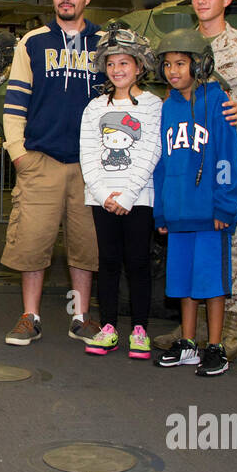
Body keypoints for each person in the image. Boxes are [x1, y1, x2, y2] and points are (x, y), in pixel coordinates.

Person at [152, 0, 237, 360]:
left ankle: (231, 325)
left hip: (227, 162)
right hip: (185, 165)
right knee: (188, 244)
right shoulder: (179, 47)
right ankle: (194, 328)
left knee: (232, 241)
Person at [1, 0, 106, 345]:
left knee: (85, 245)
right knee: (32, 242)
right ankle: (30, 316)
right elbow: (15, 103)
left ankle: (80, 318)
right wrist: (19, 154)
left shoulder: (104, 43)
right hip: (40, 160)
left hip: (90, 164)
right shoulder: (33, 42)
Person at [151, 29, 237, 377]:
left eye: (181, 63)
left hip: (209, 214)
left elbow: (227, 158)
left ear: (200, 65)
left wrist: (224, 206)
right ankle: (188, 343)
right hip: (177, 212)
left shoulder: (217, 101)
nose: (174, 71)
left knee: (211, 283)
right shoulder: (168, 107)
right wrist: (162, 209)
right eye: (168, 65)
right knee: (183, 282)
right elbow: (162, 164)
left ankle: (215, 346)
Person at [78, 25, 162, 358]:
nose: (117, 70)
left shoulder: (154, 105)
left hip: (138, 198)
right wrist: (102, 194)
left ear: (139, 66)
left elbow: (151, 150)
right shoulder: (94, 108)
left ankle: (139, 329)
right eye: (111, 64)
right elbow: (87, 153)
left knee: (138, 262)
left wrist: (127, 196)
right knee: (108, 263)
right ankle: (109, 327)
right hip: (102, 199)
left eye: (124, 63)